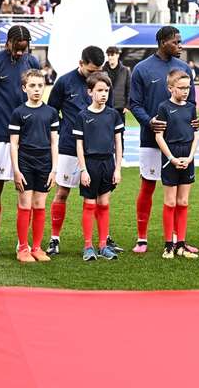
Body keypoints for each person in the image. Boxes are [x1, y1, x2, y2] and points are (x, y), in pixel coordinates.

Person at [129, 26, 197, 254]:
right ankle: (142, 238)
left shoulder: (184, 68)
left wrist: (193, 125)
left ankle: (178, 240)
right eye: (176, 42)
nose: (180, 45)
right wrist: (149, 122)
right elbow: (134, 104)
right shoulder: (141, 69)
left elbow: (192, 105)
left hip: (179, 142)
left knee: (179, 194)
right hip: (151, 139)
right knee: (148, 186)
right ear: (162, 42)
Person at [0, 25, 40, 257]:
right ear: (8, 42)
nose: (21, 52)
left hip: (28, 135)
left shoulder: (32, 63)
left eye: (25, 48)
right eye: (18, 48)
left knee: (26, 189)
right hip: (0, 135)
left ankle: (22, 242)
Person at [46, 46, 111, 256]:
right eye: (91, 71)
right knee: (62, 191)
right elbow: (51, 111)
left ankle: (100, 241)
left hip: (97, 151)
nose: (95, 75)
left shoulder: (102, 82)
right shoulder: (64, 82)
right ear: (80, 63)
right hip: (69, 147)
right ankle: (54, 238)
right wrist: (66, 128)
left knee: (98, 196)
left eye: (98, 71)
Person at [9, 69, 59, 263]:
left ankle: (37, 248)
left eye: (40, 85)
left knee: (39, 205)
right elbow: (14, 143)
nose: (37, 89)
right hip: (25, 163)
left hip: (45, 163)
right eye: (32, 86)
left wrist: (54, 169)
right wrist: (16, 170)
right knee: (25, 205)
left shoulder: (51, 112)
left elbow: (54, 142)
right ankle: (23, 248)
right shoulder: (19, 113)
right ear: (24, 88)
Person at [74, 72, 124, 262]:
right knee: (89, 204)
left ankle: (103, 245)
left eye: (106, 90)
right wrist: (83, 169)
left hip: (108, 164)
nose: (103, 94)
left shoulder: (113, 115)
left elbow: (118, 143)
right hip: (90, 164)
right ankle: (88, 246)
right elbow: (79, 145)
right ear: (90, 92)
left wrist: (117, 168)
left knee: (103, 204)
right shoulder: (82, 115)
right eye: (99, 90)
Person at [154, 70, 199, 259]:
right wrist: (171, 158)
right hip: (170, 157)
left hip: (187, 157)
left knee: (183, 202)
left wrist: (190, 157)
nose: (185, 91)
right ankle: (168, 245)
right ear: (170, 88)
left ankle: (181, 244)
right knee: (170, 202)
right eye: (181, 88)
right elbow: (159, 136)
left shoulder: (191, 108)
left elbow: (196, 134)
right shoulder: (163, 107)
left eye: (187, 87)